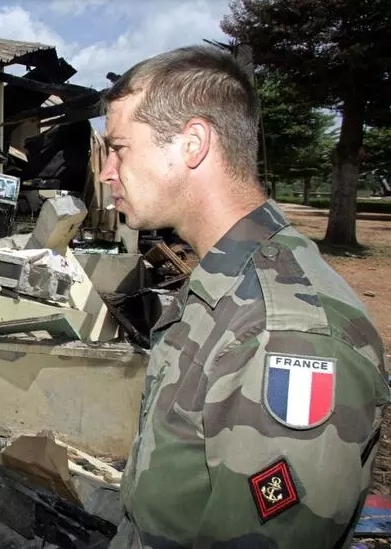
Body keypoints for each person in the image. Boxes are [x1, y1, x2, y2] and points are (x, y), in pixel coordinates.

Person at [98, 44, 390, 548]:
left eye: (119, 147)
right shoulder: (225, 281)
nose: (106, 172)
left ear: (192, 144)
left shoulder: (285, 334)